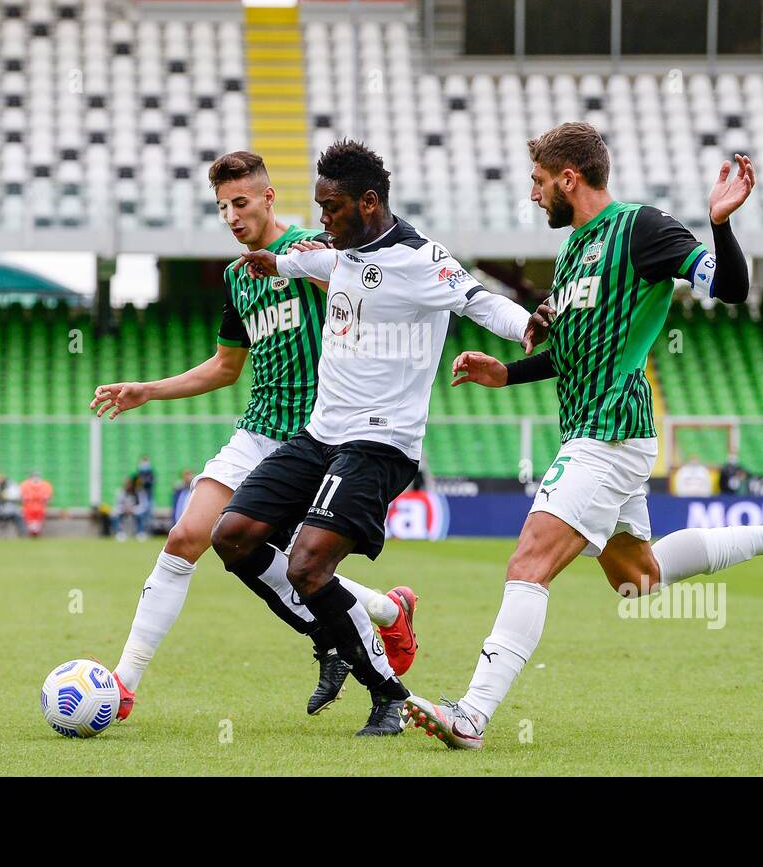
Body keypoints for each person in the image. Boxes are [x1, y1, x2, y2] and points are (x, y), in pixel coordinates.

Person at [404, 125, 763, 750]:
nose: (534, 195)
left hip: (610, 430)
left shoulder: (643, 229)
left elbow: (730, 288)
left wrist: (720, 223)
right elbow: (572, 351)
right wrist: (507, 372)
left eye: (539, 183)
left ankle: (471, 715)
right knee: (638, 580)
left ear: (568, 179)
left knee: (529, 561)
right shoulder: (574, 252)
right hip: (593, 430)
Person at [213, 139, 550, 736]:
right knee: (233, 536)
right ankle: (335, 636)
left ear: (369, 203)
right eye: (319, 207)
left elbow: (477, 300)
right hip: (321, 434)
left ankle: (389, 696)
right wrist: (275, 262)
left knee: (308, 565)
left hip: (380, 444)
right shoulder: (340, 249)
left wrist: (527, 324)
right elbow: (317, 261)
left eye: (332, 208)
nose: (322, 219)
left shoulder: (422, 261)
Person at [90, 150, 418, 725]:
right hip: (258, 431)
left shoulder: (313, 253)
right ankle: (125, 683)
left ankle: (377, 625)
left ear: (268, 198)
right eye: (222, 207)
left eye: (240, 202)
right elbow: (224, 366)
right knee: (188, 537)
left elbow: (369, 306)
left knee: (300, 565)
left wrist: (327, 270)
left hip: (322, 436)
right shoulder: (238, 278)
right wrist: (150, 389)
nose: (232, 216)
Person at [111, 475, 149, 541]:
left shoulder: (139, 492)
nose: (128, 486)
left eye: (129, 484)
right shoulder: (120, 492)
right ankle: (120, 533)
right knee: (115, 515)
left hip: (135, 511)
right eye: (126, 485)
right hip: (124, 511)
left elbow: (143, 506)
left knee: (141, 515)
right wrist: (124, 509)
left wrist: (133, 509)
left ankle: (140, 533)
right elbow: (117, 505)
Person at [20, 471, 53, 537]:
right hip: (28, 506)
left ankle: (36, 529)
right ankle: (32, 529)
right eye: (34, 476)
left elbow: (47, 498)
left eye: (37, 476)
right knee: (28, 514)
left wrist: (42, 499)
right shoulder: (24, 485)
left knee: (39, 513)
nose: (35, 478)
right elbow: (23, 498)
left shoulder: (46, 485)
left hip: (40, 506)